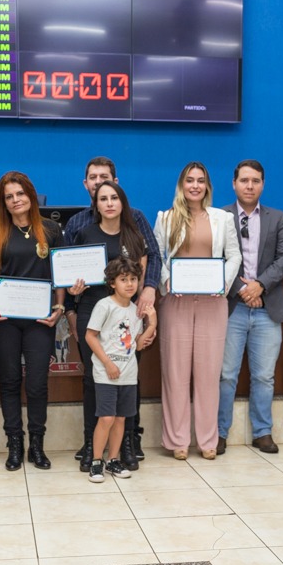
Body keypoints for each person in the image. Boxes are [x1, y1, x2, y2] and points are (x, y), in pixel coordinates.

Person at [63, 157, 163, 465]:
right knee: (94, 379)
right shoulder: (81, 228)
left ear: (119, 191)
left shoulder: (136, 225)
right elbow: (68, 273)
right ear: (87, 187)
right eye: (93, 180)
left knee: (127, 377)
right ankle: (92, 445)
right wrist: (70, 299)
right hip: (92, 310)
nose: (104, 196)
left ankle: (128, 443)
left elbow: (151, 262)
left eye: (106, 182)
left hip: (127, 315)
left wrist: (148, 293)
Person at [154, 161, 241, 460]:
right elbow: (157, 257)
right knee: (176, 374)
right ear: (181, 185)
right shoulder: (165, 218)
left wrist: (222, 284)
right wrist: (167, 281)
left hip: (213, 302)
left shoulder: (222, 218)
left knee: (208, 375)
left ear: (207, 186)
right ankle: (178, 441)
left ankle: (207, 441)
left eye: (200, 181)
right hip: (176, 302)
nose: (195, 185)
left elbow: (234, 256)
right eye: (189, 180)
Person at [0, 172, 66, 470]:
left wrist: (60, 307)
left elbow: (61, 275)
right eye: (9, 196)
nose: (16, 200)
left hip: (40, 319)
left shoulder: (52, 230)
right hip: (3, 317)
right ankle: (14, 444)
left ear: (31, 195)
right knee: (10, 380)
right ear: (3, 202)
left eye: (20, 194)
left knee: (38, 383)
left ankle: (37, 445)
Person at [217, 159, 283, 455]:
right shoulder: (219, 216)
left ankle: (262, 432)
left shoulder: (278, 218)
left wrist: (259, 285)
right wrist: (242, 288)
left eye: (256, 181)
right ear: (234, 183)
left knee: (264, 375)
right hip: (231, 307)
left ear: (263, 184)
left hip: (267, 307)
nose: (250, 186)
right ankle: (219, 433)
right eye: (244, 180)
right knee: (225, 375)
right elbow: (216, 259)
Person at [84, 257, 156, 483]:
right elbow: (90, 336)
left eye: (133, 279)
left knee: (121, 419)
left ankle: (113, 460)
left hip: (128, 374)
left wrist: (152, 324)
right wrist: (107, 363)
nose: (129, 284)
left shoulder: (136, 311)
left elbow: (138, 343)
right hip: (106, 372)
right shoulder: (104, 305)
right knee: (106, 418)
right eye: (123, 279)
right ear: (112, 283)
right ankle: (97, 461)